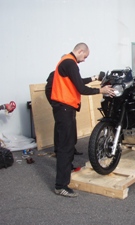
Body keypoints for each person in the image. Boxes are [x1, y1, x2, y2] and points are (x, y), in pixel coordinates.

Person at [51, 42, 115, 197]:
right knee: (66, 146)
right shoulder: (70, 63)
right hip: (65, 108)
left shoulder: (65, 61)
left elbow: (77, 82)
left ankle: (66, 170)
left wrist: (94, 78)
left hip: (63, 108)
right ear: (80, 51)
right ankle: (61, 186)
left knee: (68, 142)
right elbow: (81, 88)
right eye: (85, 56)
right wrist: (101, 90)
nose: (84, 59)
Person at [45, 62, 100, 157]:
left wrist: (93, 78)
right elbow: (48, 89)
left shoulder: (68, 74)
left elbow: (79, 82)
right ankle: (59, 151)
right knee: (62, 130)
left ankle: (71, 148)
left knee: (71, 127)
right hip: (62, 106)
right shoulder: (55, 75)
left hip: (70, 105)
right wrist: (55, 104)